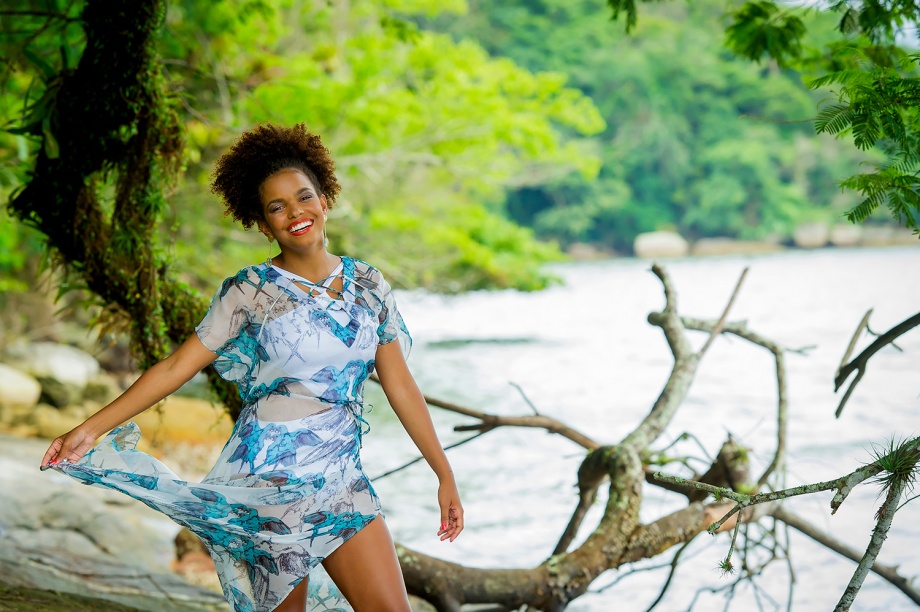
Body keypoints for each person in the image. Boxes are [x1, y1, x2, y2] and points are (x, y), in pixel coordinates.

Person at [40, 123, 464, 612]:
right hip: (269, 479)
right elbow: (177, 366)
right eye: (277, 207)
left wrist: (443, 472)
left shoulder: (368, 284)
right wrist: (90, 429)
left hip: (340, 478)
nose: (295, 213)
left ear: (325, 199)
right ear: (263, 225)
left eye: (304, 197)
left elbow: (401, 386)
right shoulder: (249, 291)